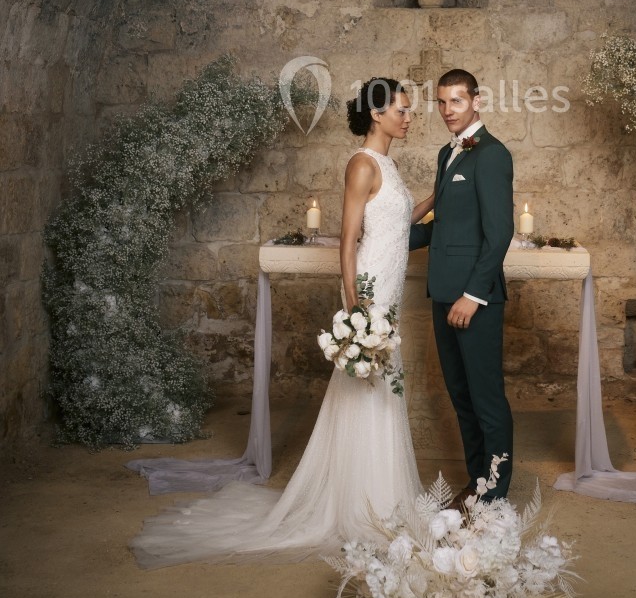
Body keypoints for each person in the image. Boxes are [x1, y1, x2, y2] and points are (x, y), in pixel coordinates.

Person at [130, 79, 433, 568]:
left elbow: (401, 224)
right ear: (377, 114)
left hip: (390, 292)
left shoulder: (390, 166)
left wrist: (438, 192)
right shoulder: (361, 164)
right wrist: (355, 309)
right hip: (371, 291)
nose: (409, 117)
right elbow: (349, 239)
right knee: (366, 383)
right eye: (402, 109)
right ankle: (360, 505)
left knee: (382, 385)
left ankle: (382, 498)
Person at [409, 68, 514, 506]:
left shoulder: (491, 154)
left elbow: (499, 232)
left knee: (486, 397)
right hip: (442, 292)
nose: (447, 110)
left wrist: (473, 295)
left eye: (456, 100)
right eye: (440, 102)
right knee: (461, 395)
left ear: (476, 100)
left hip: (475, 299)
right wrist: (382, 237)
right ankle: (477, 481)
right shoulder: (445, 154)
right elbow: (444, 226)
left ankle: (495, 494)